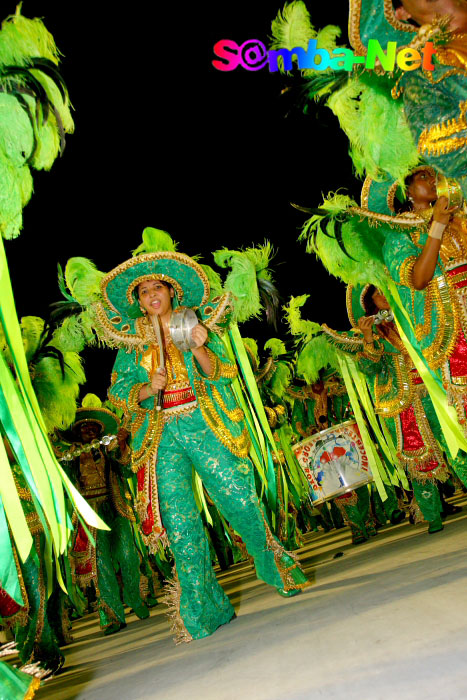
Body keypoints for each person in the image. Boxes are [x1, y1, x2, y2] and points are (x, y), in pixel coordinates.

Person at [101, 251, 307, 643]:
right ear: (139, 302)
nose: (151, 295)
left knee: (239, 499)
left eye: (156, 286)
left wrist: (198, 346)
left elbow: (224, 372)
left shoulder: (196, 324)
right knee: (179, 525)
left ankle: (278, 570)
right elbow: (119, 391)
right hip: (161, 436)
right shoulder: (131, 345)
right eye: (143, 291)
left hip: (204, 422)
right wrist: (147, 388)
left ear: (172, 291)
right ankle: (203, 610)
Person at [357, 284, 453, 533]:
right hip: (403, 402)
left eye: (384, 288)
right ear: (370, 302)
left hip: (435, 390)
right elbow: (370, 371)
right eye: (377, 293)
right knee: (418, 460)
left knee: (456, 442)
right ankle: (432, 515)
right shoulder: (372, 332)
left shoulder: (412, 313)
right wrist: (368, 340)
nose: (383, 296)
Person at [62, 399, 150, 636]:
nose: (90, 432)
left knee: (128, 555)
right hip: (90, 515)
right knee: (101, 565)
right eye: (84, 429)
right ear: (77, 434)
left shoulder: (108, 450)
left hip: (115, 507)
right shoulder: (71, 457)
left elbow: (128, 470)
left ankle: (135, 598)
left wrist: (121, 448)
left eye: (94, 429)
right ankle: (111, 615)